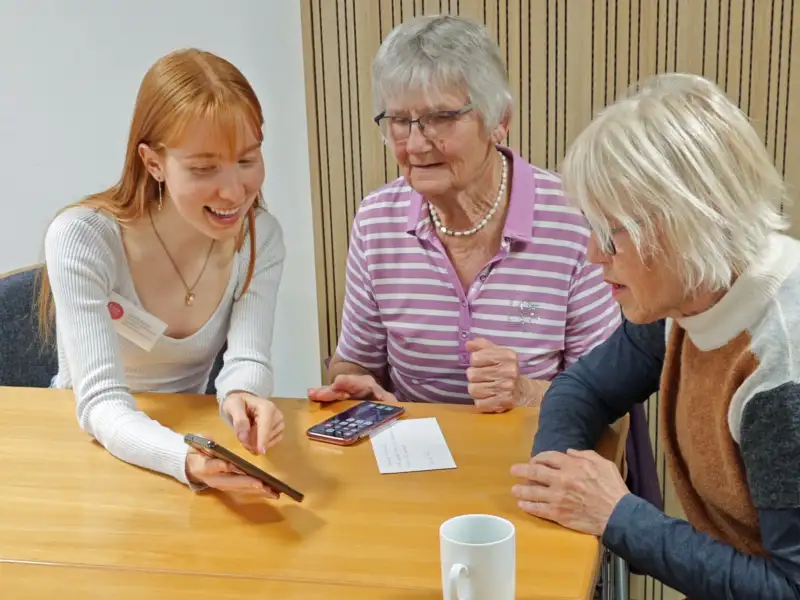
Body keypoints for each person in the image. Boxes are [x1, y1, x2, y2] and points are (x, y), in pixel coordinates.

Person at [510, 73, 800, 598]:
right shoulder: (688, 296)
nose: (594, 256)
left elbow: (789, 588)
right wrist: (556, 476)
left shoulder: (782, 369)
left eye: (608, 233)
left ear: (685, 221)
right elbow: (583, 388)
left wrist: (617, 515)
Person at [308, 15, 620, 411]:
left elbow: (606, 393)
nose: (417, 145)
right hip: (411, 457)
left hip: (537, 455)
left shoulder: (573, 220)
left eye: (441, 118)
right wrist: (355, 387)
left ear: (499, 121)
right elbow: (355, 361)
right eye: (400, 122)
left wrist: (525, 391)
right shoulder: (376, 221)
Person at [39, 49, 286, 496]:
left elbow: (247, 359)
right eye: (204, 168)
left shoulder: (259, 237)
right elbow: (100, 403)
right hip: (89, 451)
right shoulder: (83, 237)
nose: (234, 191)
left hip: (187, 444)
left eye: (247, 160)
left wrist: (243, 396)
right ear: (153, 162)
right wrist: (184, 459)